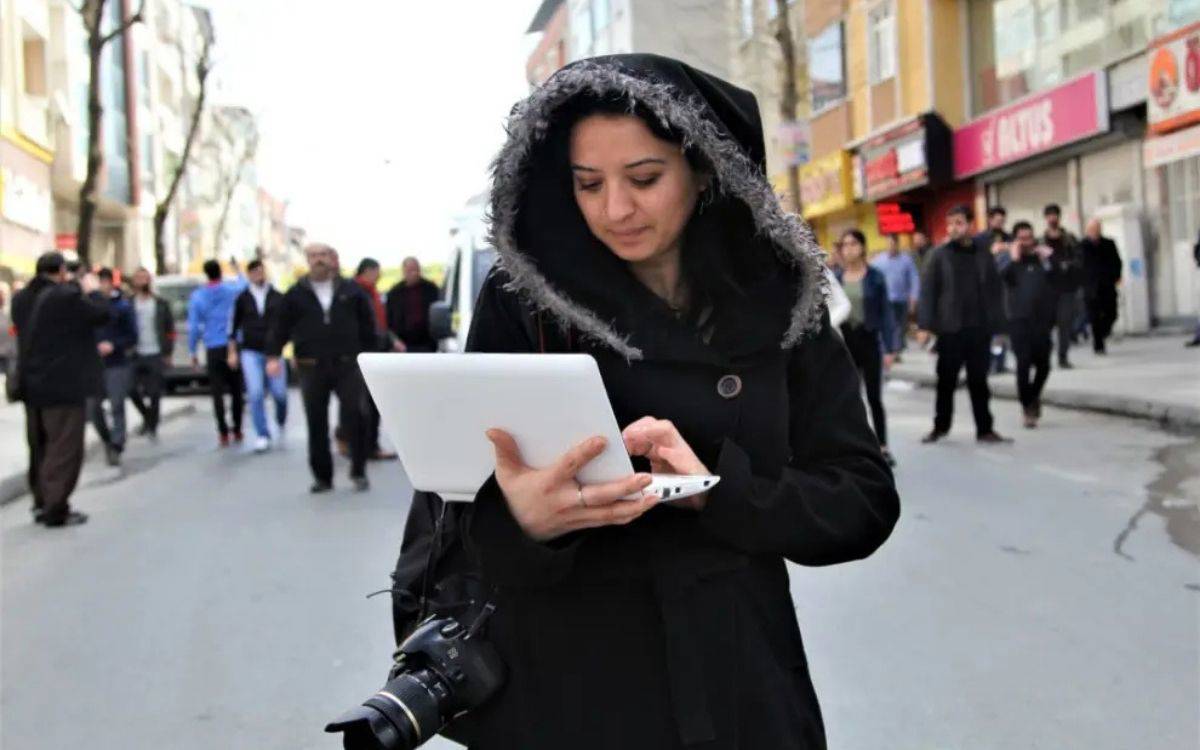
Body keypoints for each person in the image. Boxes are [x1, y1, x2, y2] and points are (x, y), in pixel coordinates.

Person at [390, 55, 899, 749]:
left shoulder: (782, 299)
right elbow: (460, 516)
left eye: (644, 178)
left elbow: (863, 500)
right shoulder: (525, 302)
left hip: (736, 677)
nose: (615, 210)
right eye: (588, 183)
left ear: (704, 167)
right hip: (572, 688)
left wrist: (716, 492)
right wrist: (526, 519)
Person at [265, 243, 378, 492]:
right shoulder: (295, 294)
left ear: (332, 258)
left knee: (356, 415)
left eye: (323, 255)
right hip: (311, 366)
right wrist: (273, 356)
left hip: (348, 364)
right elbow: (280, 327)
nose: (319, 260)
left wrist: (372, 357)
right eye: (314, 256)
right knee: (316, 421)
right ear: (307, 260)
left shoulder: (352, 291)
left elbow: (368, 326)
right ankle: (322, 477)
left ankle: (358, 470)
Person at [12, 252, 109, 527]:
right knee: (64, 446)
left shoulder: (21, 298)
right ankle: (56, 506)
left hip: (31, 382)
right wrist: (92, 290)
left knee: (39, 444)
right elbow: (101, 315)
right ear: (62, 270)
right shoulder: (66, 296)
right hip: (63, 384)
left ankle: (41, 501)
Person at [917, 204, 1011, 444]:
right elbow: (928, 291)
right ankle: (940, 426)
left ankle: (985, 429)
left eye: (958, 223)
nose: (953, 228)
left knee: (979, 382)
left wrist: (1000, 327)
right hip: (950, 330)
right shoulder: (939, 255)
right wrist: (924, 326)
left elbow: (994, 290)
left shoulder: (983, 253)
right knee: (946, 381)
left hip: (979, 328)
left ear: (970, 224)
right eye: (950, 224)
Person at [839, 229, 899, 464]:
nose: (848, 249)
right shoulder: (836, 278)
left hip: (869, 341)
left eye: (853, 244)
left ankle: (882, 446)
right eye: (845, 245)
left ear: (862, 247)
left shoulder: (875, 277)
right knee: (850, 398)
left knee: (874, 397)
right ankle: (855, 447)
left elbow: (886, 314)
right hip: (845, 344)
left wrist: (891, 348)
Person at [1002, 222, 1060, 429]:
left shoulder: (1041, 259)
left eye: (1029, 237)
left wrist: (1049, 259)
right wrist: (1013, 258)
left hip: (1042, 320)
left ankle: (1033, 396)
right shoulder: (1009, 260)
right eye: (1022, 238)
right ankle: (1027, 407)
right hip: (1019, 320)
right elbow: (1002, 277)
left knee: (1044, 365)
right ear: (1016, 240)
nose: (1027, 242)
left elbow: (1058, 279)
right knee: (1023, 363)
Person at [227, 259, 287, 453]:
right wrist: (232, 352)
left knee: (279, 394)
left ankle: (281, 416)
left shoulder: (278, 297)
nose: (258, 275)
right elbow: (233, 328)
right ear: (249, 275)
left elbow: (288, 325)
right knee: (255, 393)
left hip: (274, 351)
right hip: (250, 351)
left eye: (261, 271)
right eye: (254, 272)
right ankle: (262, 434)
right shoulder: (242, 298)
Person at [187, 258, 246, 446]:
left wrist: (192, 351)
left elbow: (194, 327)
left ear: (206, 274)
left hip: (212, 346)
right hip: (232, 345)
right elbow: (244, 284)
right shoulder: (231, 290)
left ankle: (223, 431)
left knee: (217, 391)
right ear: (220, 271)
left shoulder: (198, 296)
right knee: (236, 389)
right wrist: (237, 269)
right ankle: (237, 428)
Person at [350, 257, 401, 460]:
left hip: (373, 352)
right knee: (365, 404)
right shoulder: (357, 292)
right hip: (363, 355)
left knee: (371, 403)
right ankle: (365, 447)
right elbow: (370, 326)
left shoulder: (371, 292)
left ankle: (368, 445)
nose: (379, 276)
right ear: (368, 271)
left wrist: (389, 341)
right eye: (377, 272)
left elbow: (380, 324)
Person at [89, 267, 138, 466]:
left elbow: (132, 335)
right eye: (99, 282)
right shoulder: (88, 306)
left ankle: (117, 444)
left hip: (117, 362)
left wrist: (114, 345)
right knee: (94, 408)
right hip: (94, 364)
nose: (103, 286)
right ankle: (107, 439)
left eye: (105, 282)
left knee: (117, 404)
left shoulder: (122, 307)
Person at [128, 267, 175, 438]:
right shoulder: (128, 303)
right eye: (138, 278)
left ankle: (152, 425)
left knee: (155, 392)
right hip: (135, 352)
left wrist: (168, 352)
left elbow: (170, 329)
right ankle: (147, 416)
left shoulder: (160, 303)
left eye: (145, 277)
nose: (142, 281)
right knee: (130, 388)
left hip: (155, 351)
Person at [1042, 203, 1082, 368]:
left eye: (1055, 215)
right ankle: (1043, 356)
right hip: (1047, 289)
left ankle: (1062, 357)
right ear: (1046, 218)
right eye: (1049, 215)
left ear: (1059, 217)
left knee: (1064, 324)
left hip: (1066, 288)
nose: (1052, 218)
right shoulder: (1041, 241)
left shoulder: (1069, 238)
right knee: (1045, 325)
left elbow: (1079, 259)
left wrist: (1069, 265)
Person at [975, 207, 1012, 374]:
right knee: (988, 329)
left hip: (1004, 288)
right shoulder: (980, 239)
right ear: (990, 220)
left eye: (1002, 220)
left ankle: (1000, 362)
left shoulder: (1009, 238)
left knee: (1001, 329)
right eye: (997, 220)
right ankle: (988, 362)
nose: (1000, 223)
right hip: (986, 288)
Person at [1078, 218, 1122, 355]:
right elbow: (1078, 265)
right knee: (1094, 317)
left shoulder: (1109, 243)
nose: (1094, 231)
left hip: (1107, 285)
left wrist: (1116, 277)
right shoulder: (1081, 246)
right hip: (1090, 287)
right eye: (1092, 229)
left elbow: (1117, 261)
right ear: (1087, 231)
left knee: (1112, 313)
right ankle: (1099, 346)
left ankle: (1104, 331)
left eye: (1096, 228)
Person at [870, 233, 920, 354]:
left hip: (902, 299)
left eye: (893, 244)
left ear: (897, 244)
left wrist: (914, 297)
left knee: (901, 325)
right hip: (886, 299)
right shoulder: (879, 261)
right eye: (889, 243)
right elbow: (871, 277)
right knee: (890, 324)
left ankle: (897, 347)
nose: (891, 246)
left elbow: (914, 279)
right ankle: (893, 349)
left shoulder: (906, 260)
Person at [385, 256, 440, 353]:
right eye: (410, 270)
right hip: (403, 344)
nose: (414, 273)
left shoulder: (431, 289)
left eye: (416, 269)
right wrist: (394, 340)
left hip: (428, 343)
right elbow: (388, 320)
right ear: (403, 271)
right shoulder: (394, 293)